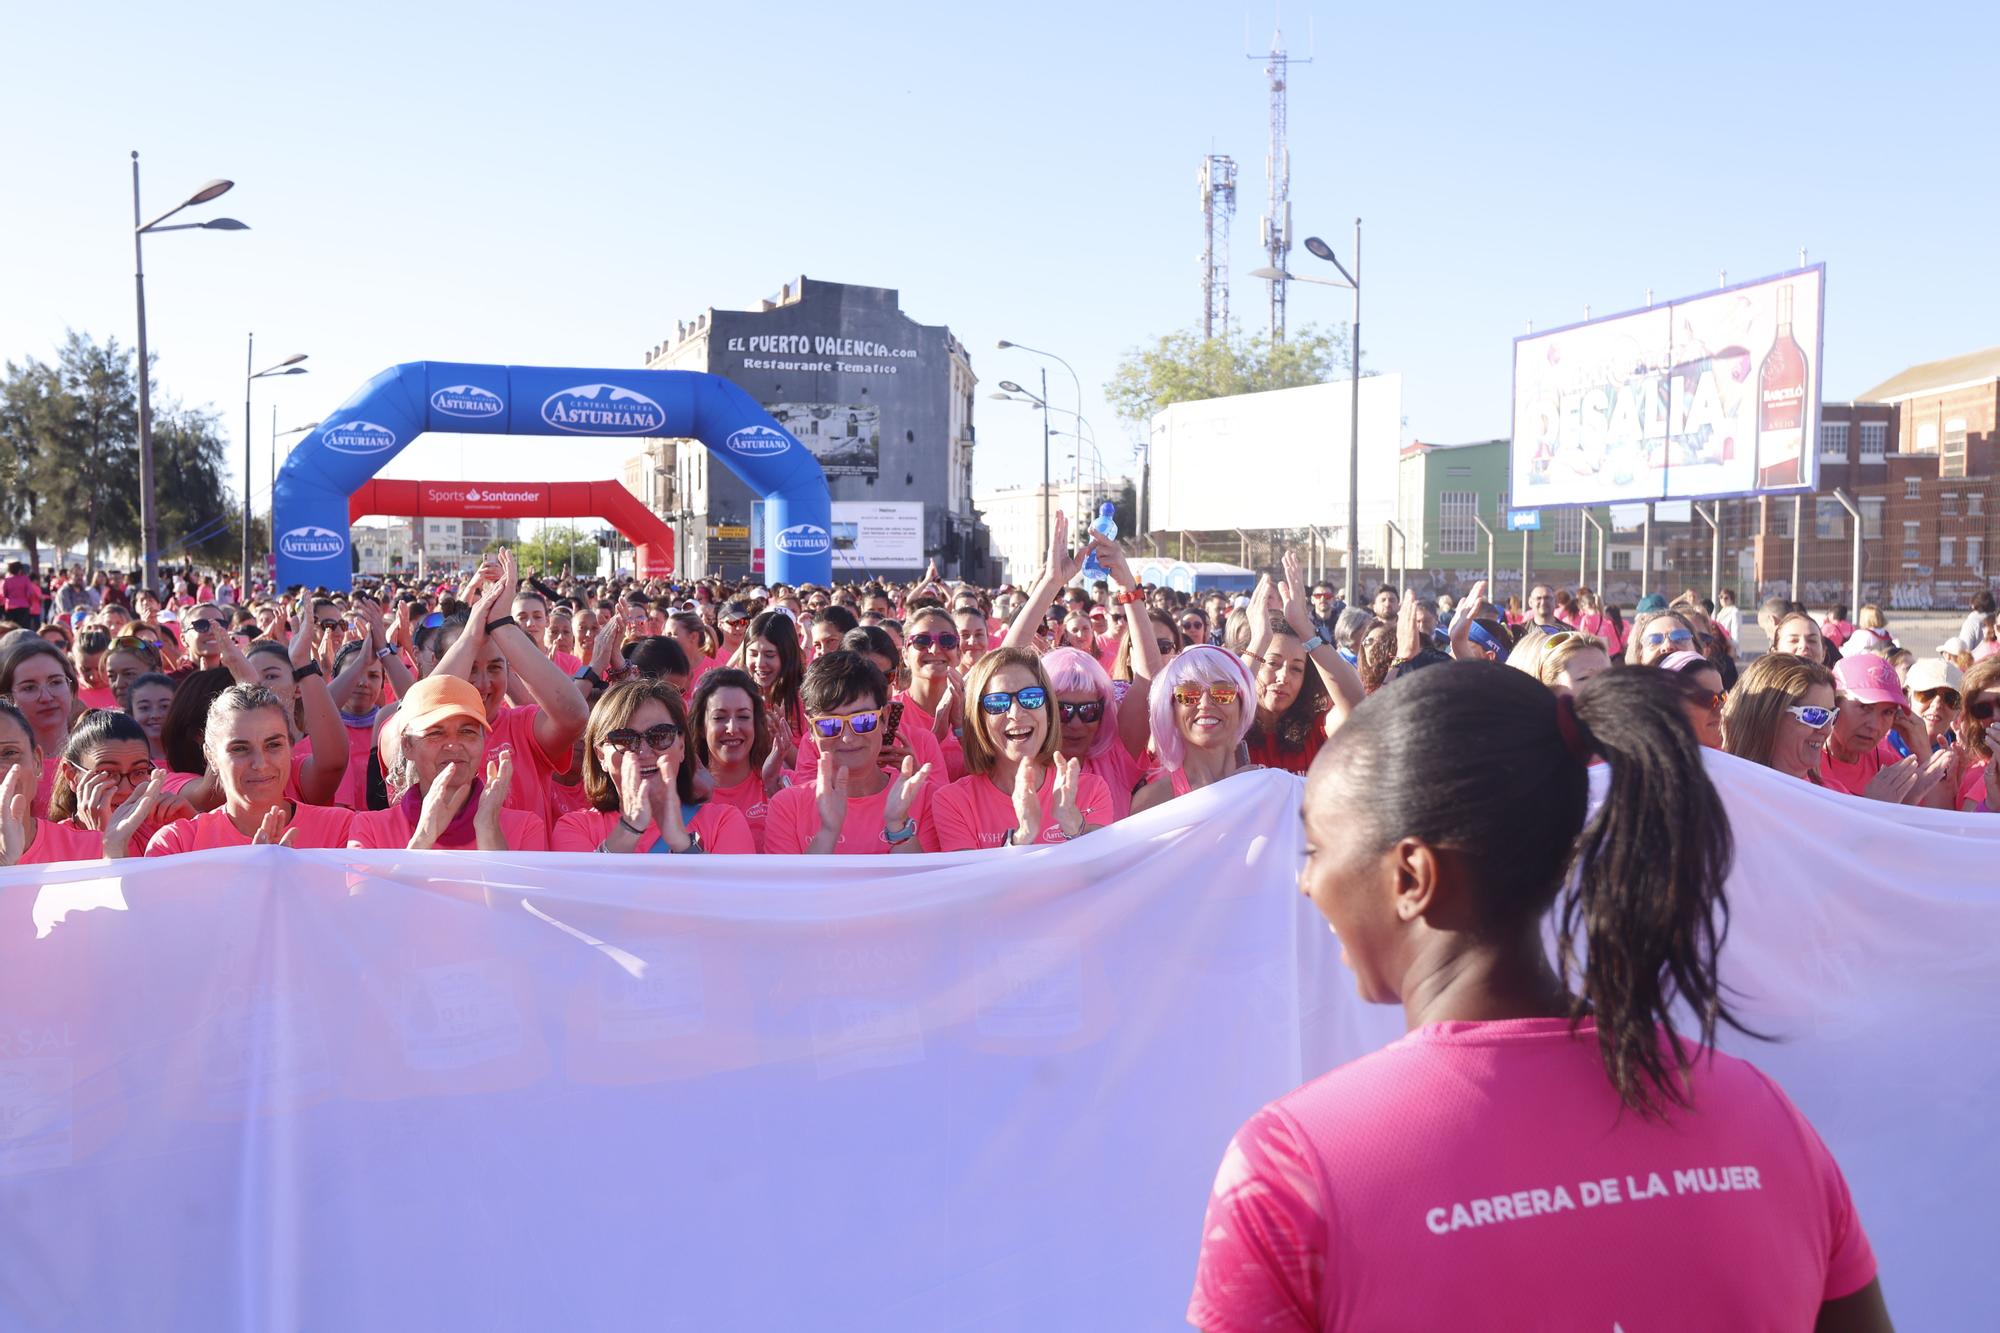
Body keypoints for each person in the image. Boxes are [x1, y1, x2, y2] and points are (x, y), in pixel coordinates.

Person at [1189, 664, 1889, 1331]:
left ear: (1412, 875)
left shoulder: (1291, 1170)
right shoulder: (1763, 1117)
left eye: (1315, 849)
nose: (1306, 882)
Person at [926, 647, 1111, 850]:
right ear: (979, 718)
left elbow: (1102, 877)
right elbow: (971, 882)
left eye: (1030, 697)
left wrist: (1073, 825)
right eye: (997, 702)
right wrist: (1021, 838)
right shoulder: (953, 802)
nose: (1016, 713)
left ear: (1048, 711)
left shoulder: (1091, 789)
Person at [145, 685, 357, 854]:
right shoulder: (177, 844)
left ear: (291, 746)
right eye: (240, 749)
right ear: (211, 755)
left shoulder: (343, 829)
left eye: (273, 745)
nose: (260, 763)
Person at [552, 678, 755, 854]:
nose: (644, 752)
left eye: (659, 735)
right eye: (625, 739)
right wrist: (630, 827)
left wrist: (680, 842)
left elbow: (734, 897)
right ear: (601, 756)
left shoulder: (723, 822)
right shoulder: (575, 828)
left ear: (682, 746)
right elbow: (581, 895)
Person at [345, 674, 543, 851]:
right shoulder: (370, 829)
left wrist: (489, 831)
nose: (453, 746)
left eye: (467, 732)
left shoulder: (526, 827)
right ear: (407, 745)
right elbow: (365, 894)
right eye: (436, 733)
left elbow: (519, 894)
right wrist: (422, 838)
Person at [764, 652, 933, 854]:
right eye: (829, 724)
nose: (847, 738)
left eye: (863, 720)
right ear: (810, 729)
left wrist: (898, 826)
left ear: (885, 719)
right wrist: (828, 831)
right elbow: (794, 885)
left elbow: (925, 884)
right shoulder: (788, 807)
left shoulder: (923, 797)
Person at [0, 701, 161, 864]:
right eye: (108, 773)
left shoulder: (95, 845)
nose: (125, 789)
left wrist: (184, 823)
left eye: (9, 752)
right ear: (71, 776)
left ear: (37, 761)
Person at [1131, 646, 1259, 814]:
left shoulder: (1264, 785)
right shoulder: (1153, 801)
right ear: (1171, 709)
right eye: (1188, 694)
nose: (1205, 704)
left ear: (1242, 706)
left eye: (1223, 692)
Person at [687, 667, 780, 850]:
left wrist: (777, 795)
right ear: (701, 727)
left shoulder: (780, 784)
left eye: (743, 716)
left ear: (756, 723)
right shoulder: (680, 792)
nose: (732, 728)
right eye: (719, 717)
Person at [1720, 653, 1839, 785]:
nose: (1827, 729)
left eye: (1832, 715)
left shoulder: (1837, 797)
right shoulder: (1719, 793)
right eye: (1814, 715)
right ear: (1767, 717)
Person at [0, 635, 79, 817]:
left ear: (71, 687)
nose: (46, 697)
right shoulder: (5, 766)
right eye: (29, 687)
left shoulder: (98, 753)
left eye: (56, 682)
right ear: (7, 698)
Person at [1659, 650, 1727, 749]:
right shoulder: (1654, 763)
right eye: (1706, 699)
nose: (1720, 709)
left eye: (1723, 697)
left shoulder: (1743, 756)